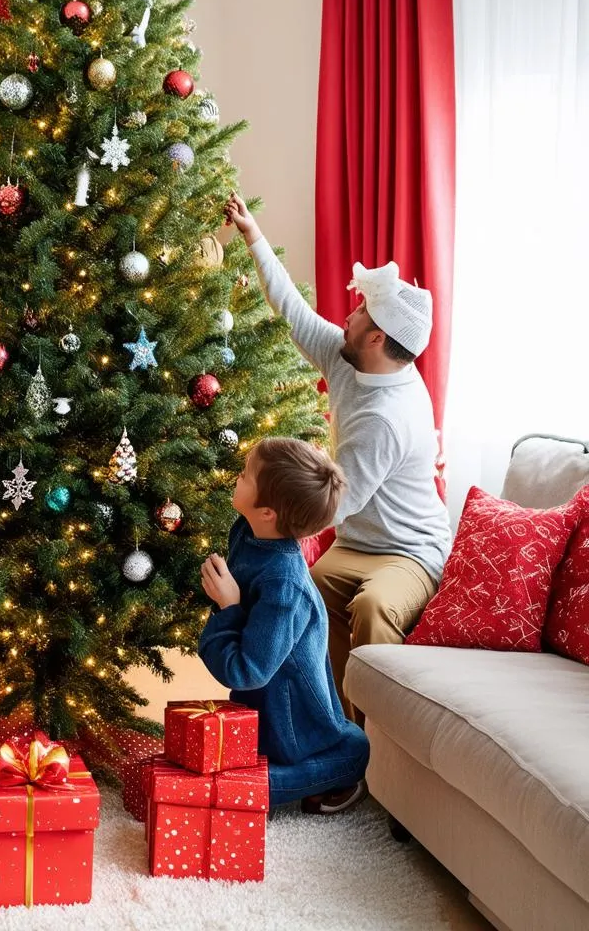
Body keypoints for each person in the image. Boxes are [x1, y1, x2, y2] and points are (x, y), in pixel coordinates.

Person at [224, 194, 451, 720]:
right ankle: (325, 726)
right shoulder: (350, 357)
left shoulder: (388, 418)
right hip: (356, 544)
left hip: (408, 552)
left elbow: (335, 506)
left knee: (372, 608)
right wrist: (254, 235)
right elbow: (295, 313)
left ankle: (375, 740)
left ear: (376, 337)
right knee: (308, 596)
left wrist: (265, 514)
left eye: (359, 312)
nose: (346, 315)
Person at [198, 437, 369, 813]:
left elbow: (249, 671)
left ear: (268, 513)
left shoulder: (283, 584)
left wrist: (228, 607)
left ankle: (341, 768)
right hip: (261, 705)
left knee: (351, 750)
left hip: (289, 723)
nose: (237, 477)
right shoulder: (248, 531)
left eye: (244, 475)